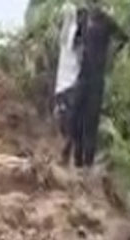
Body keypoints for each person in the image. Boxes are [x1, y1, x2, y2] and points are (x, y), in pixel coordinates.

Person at [70, 0, 125, 169]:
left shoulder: (107, 21)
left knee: (91, 120)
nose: (96, 5)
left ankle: (88, 163)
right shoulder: (84, 18)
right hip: (83, 75)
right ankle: (77, 159)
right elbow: (75, 40)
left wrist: (111, 57)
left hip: (97, 77)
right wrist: (79, 53)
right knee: (74, 117)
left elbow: (124, 38)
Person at [53, 1, 82, 164]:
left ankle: (67, 152)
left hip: (66, 83)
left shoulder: (70, 33)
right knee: (66, 119)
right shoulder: (69, 33)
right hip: (67, 83)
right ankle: (67, 150)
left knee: (66, 119)